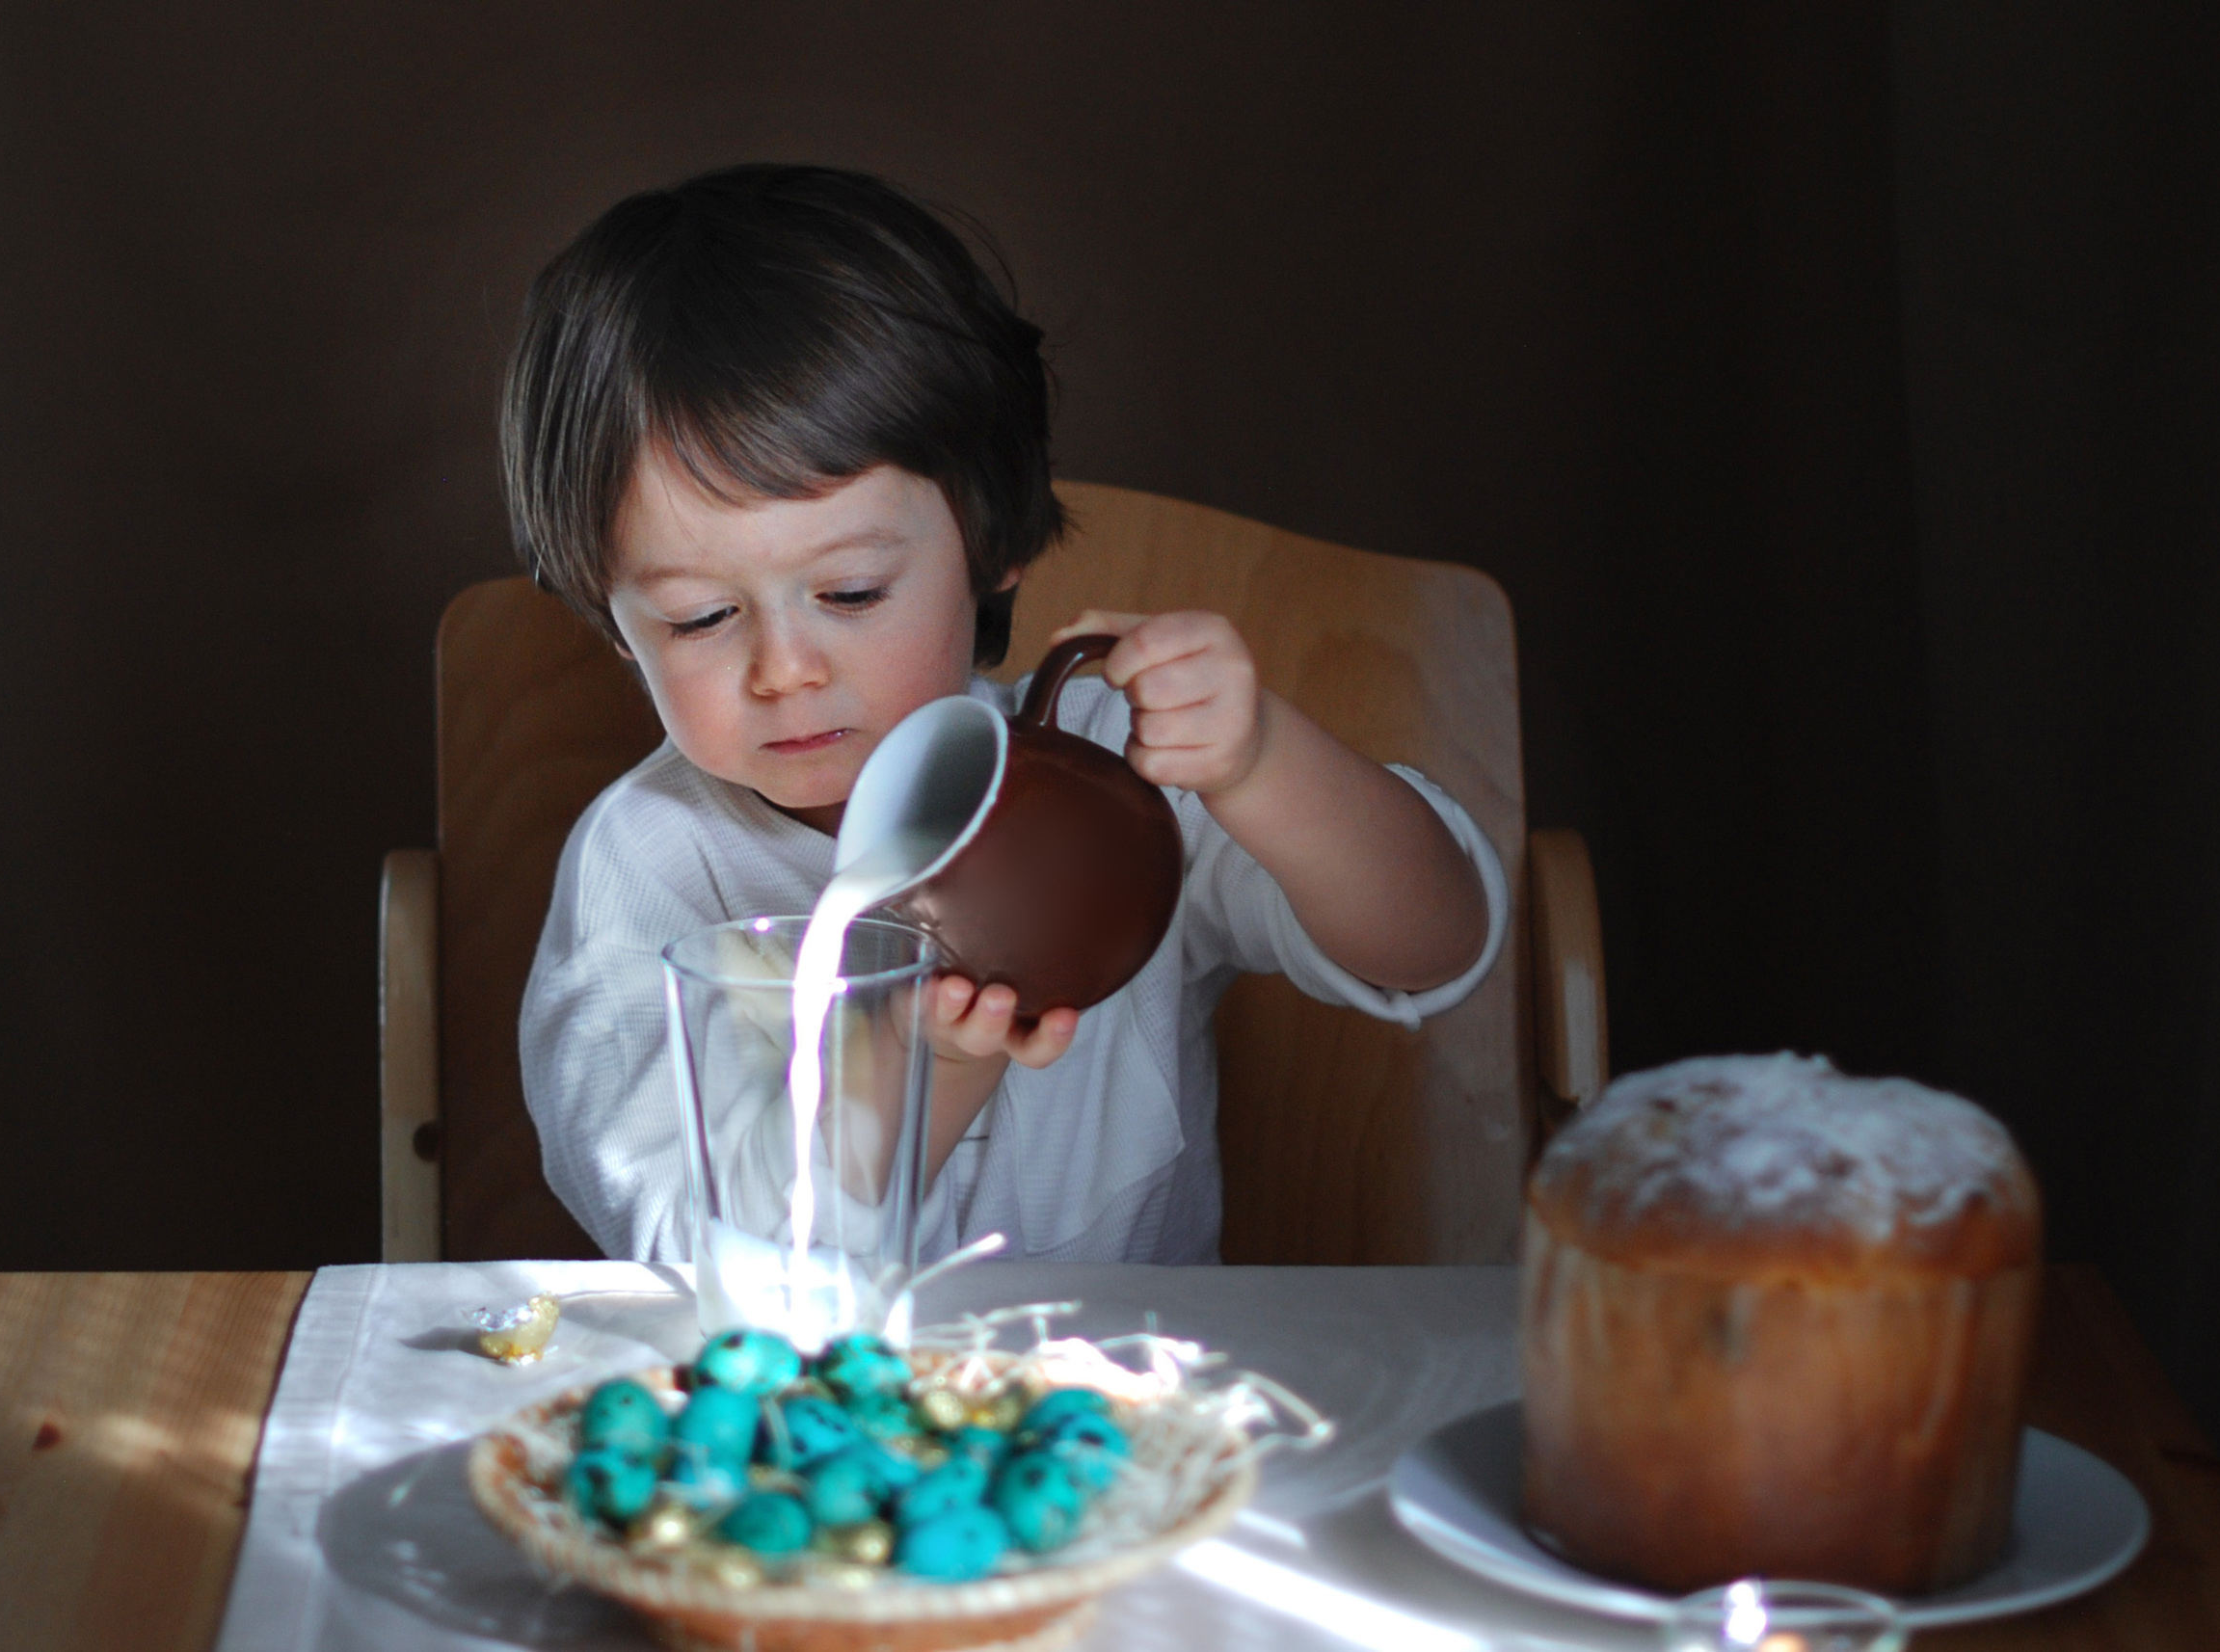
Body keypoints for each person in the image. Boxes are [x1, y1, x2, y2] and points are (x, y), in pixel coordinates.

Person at [503, 164, 1508, 1265]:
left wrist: (1261, 761)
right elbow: (702, 1249)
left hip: (1138, 1405)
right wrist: (940, 1062)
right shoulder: (649, 867)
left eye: (849, 594)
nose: (783, 668)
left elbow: (1433, 939)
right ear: (614, 624)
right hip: (817, 1418)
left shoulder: (1106, 759)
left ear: (993, 551)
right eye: (699, 618)